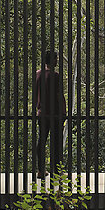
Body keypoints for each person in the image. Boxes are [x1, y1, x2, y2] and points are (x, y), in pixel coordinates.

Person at [34, 50, 66, 178]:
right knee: (56, 143)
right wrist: (63, 112)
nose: (57, 61)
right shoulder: (55, 75)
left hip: (42, 113)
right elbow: (59, 96)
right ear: (52, 60)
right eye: (56, 58)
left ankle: (41, 170)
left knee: (41, 141)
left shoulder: (37, 74)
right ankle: (57, 171)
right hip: (55, 114)